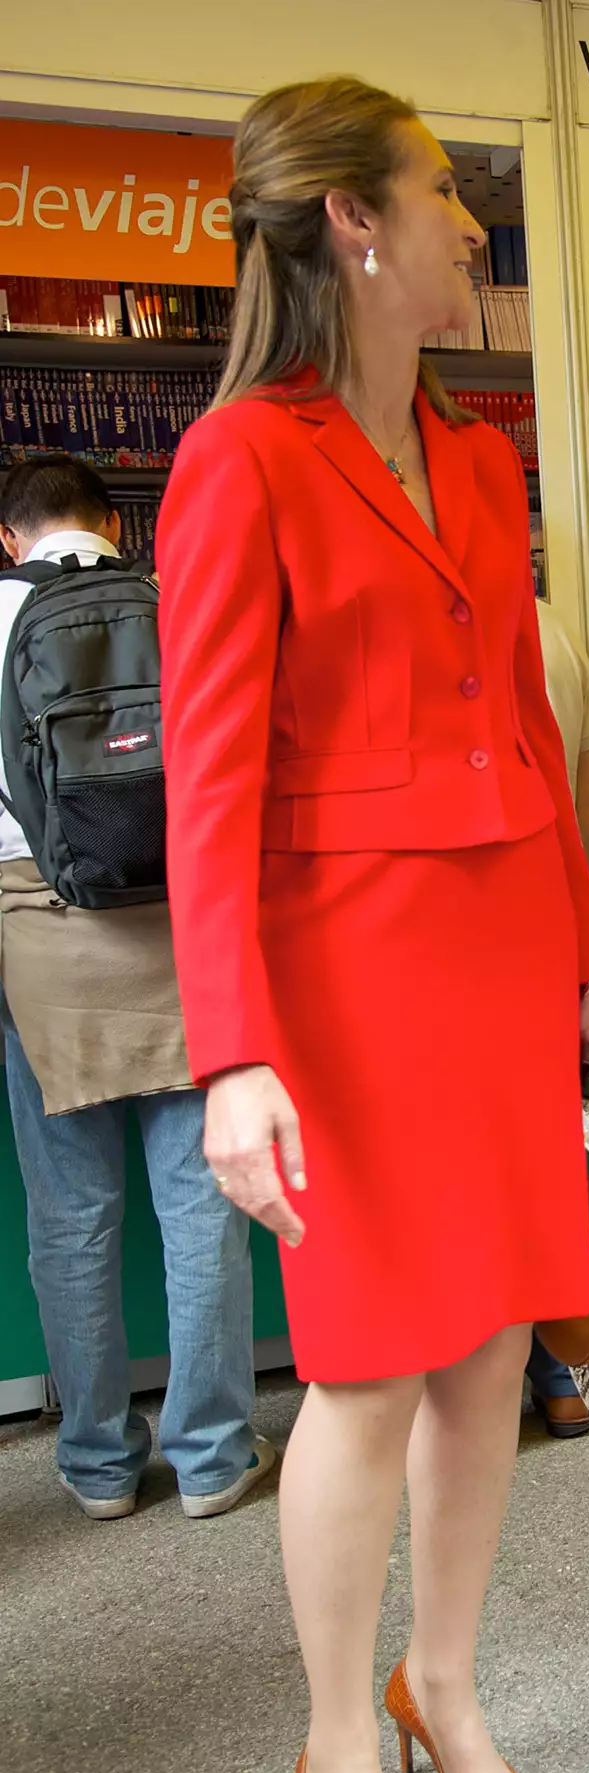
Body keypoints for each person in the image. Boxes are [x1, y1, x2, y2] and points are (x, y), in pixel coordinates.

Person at [154, 76, 589, 1773]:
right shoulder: (239, 461)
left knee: (493, 1343)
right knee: (361, 1367)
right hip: (339, 975)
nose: (470, 225)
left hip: (501, 941)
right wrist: (233, 1050)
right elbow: (204, 784)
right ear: (354, 224)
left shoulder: (490, 452)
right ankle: (340, 1749)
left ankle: (443, 1679)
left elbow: (521, 716)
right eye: (444, 194)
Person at [0, 457, 268, 1521]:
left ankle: (101, 1461)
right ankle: (211, 1456)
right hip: (180, 929)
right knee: (202, 1198)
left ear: (8, 537)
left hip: (36, 932)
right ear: (113, 523)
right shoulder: (174, 602)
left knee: (71, 1210)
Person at [527, 597, 589, 1438]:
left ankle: (469, 1372)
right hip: (550, 918)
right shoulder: (561, 632)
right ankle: (564, 1377)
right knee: (554, 1151)